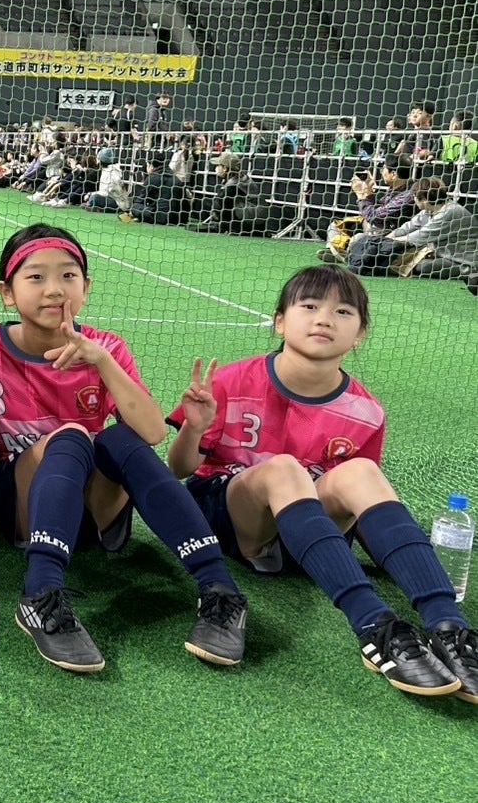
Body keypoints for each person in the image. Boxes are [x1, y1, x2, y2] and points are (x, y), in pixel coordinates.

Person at [168, 266, 476, 700]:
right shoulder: (231, 380)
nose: (324, 319)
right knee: (284, 468)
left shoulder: (366, 411)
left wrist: (399, 557)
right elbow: (179, 469)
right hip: (236, 524)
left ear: (360, 334)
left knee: (362, 472)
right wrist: (194, 429)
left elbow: (361, 506)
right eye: (310, 306)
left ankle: (449, 627)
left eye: (343, 311)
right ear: (280, 321)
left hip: (309, 537)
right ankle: (373, 624)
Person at [0, 224, 247, 672]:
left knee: (120, 438)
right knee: (72, 436)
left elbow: (153, 431)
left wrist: (101, 361)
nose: (54, 289)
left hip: (91, 510)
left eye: (68, 276)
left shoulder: (107, 347)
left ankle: (219, 588)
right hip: (19, 505)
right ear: (7, 292)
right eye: (36, 277)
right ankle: (40, 592)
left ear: (86, 287)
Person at [346, 177, 478, 279]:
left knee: (423, 267)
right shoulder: (428, 210)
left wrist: (382, 242)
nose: (413, 199)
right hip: (439, 254)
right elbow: (407, 227)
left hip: (462, 262)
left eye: (415, 197)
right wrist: (382, 239)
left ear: (424, 199)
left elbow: (419, 236)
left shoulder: (450, 212)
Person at [317, 156, 415, 264]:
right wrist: (368, 192)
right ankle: (337, 251)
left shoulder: (407, 195)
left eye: (383, 169)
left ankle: (346, 256)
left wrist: (360, 195)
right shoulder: (394, 188)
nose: (381, 172)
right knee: (335, 226)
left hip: (389, 235)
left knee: (358, 239)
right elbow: (380, 210)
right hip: (376, 228)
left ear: (393, 174)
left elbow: (374, 217)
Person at [124, 155, 188, 225]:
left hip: (162, 218)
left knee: (135, 207)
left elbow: (141, 200)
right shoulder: (176, 177)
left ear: (151, 166)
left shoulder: (153, 177)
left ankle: (136, 216)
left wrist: (133, 212)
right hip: (180, 219)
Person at [81, 147, 130, 214]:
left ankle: (92, 205)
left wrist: (91, 194)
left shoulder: (110, 172)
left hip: (116, 202)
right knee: (93, 197)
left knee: (95, 197)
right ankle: (96, 207)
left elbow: (105, 193)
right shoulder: (108, 170)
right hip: (113, 199)